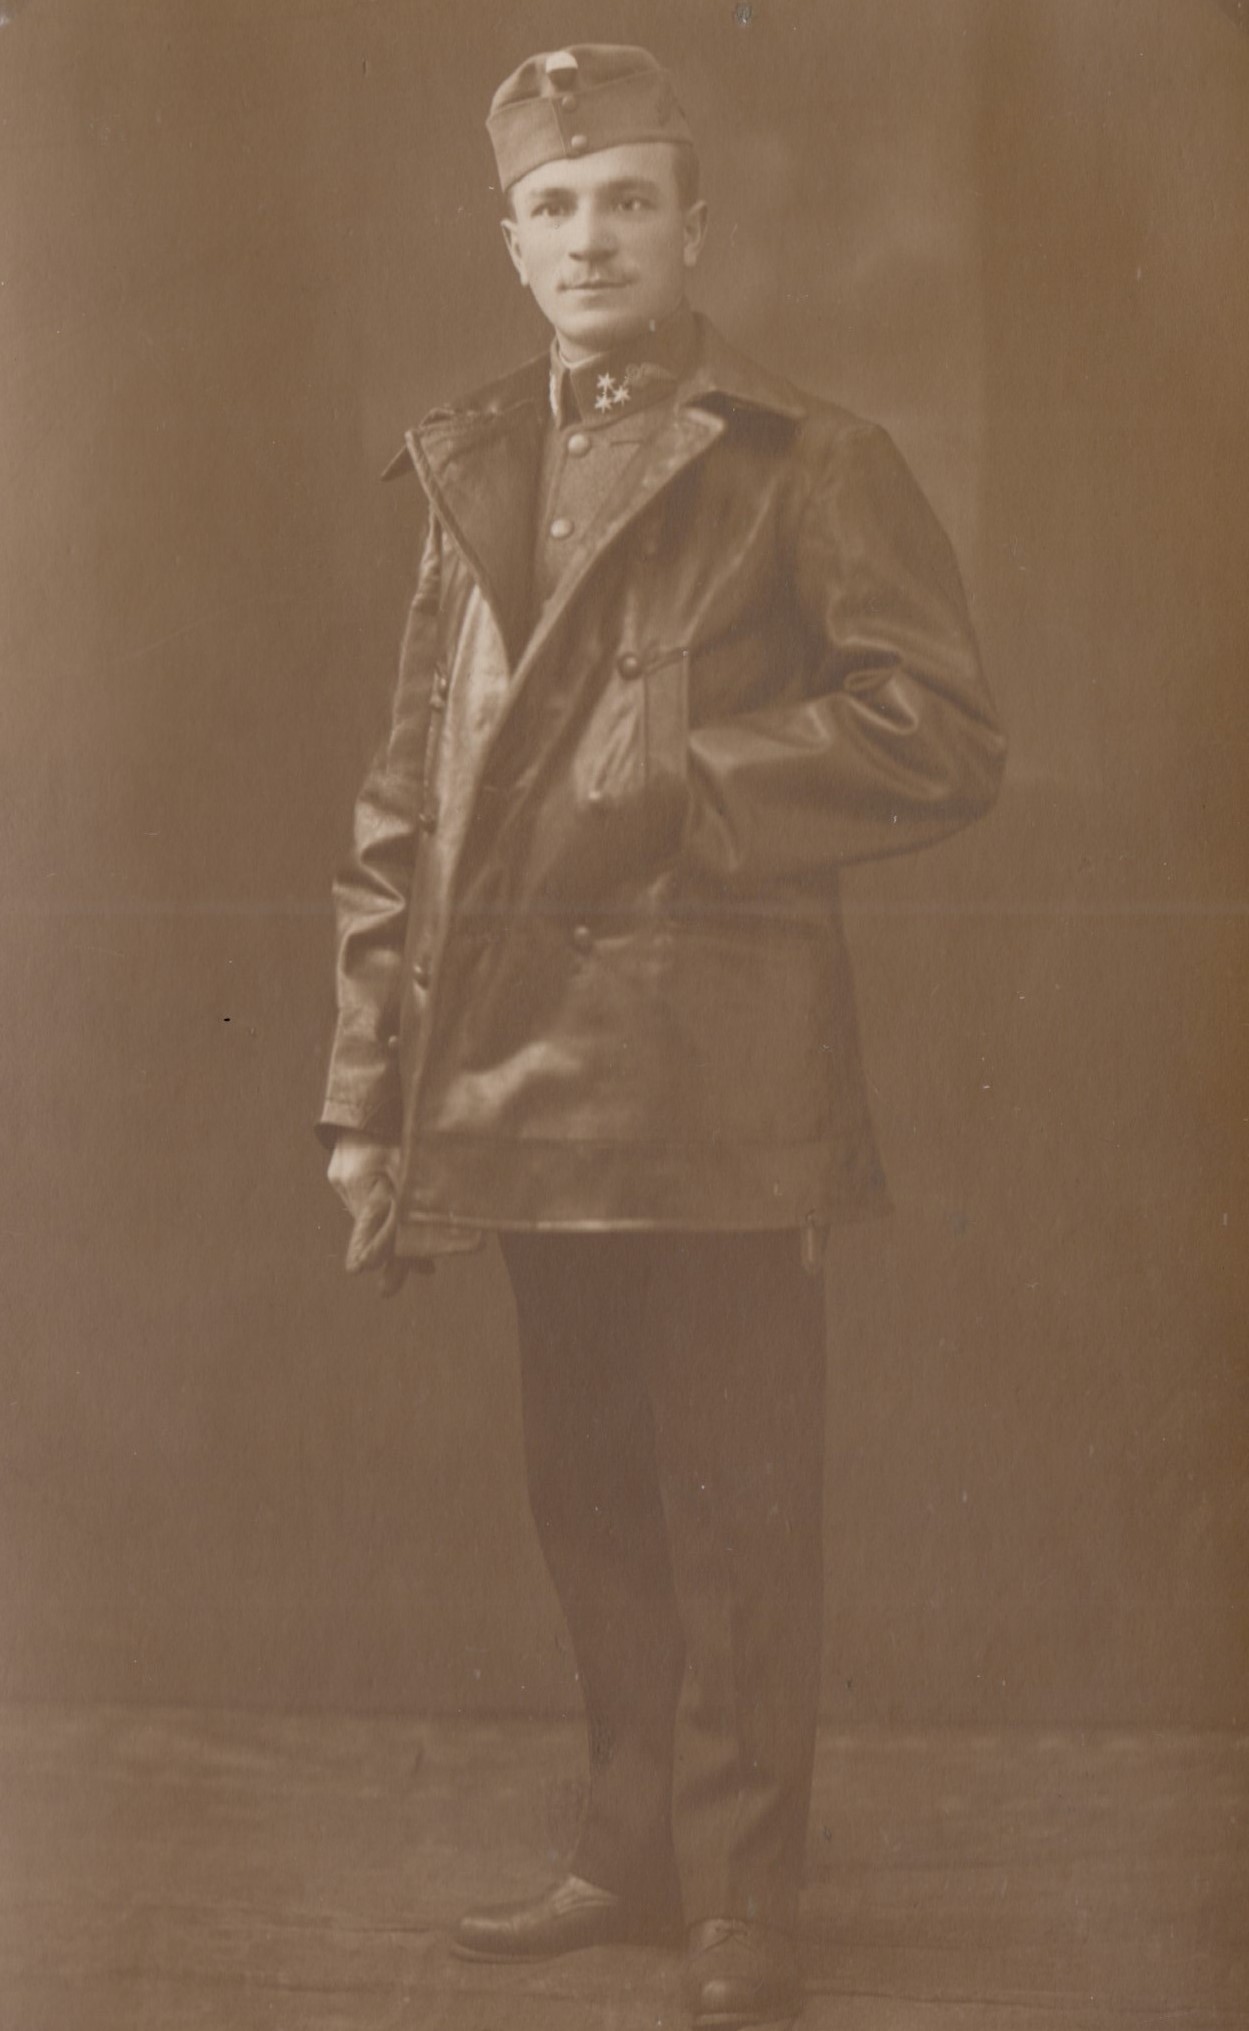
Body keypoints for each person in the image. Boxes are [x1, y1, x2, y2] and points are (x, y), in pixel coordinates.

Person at [320, 43, 1005, 2031]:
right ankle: (627, 1853)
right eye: (556, 205)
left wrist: (685, 781)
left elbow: (941, 730)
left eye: (630, 199)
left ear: (695, 228)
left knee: (734, 1499)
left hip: (714, 1085)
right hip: (513, 1076)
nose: (592, 236)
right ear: (509, 241)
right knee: (589, 1487)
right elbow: (404, 805)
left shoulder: (805, 460)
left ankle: (740, 1896)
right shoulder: (469, 464)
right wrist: (366, 1097)